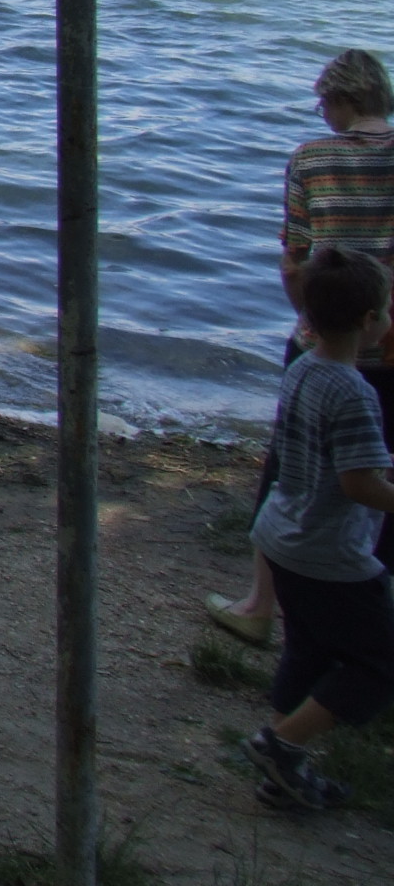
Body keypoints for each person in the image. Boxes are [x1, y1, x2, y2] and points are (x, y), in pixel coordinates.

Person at [210, 50, 394, 646]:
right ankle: (374, 601)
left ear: (343, 100)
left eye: (323, 104)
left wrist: (316, 321)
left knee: (291, 470)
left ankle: (260, 605)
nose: (323, 114)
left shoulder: (311, 159)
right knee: (381, 469)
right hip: (390, 340)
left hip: (323, 340)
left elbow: (294, 258)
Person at [239, 246, 394, 812]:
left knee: (306, 652)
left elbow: (317, 453)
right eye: (388, 307)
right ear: (369, 321)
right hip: (332, 555)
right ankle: (280, 745)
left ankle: (285, 771)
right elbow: (359, 485)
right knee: (379, 665)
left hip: (283, 536)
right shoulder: (355, 392)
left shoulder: (302, 368)